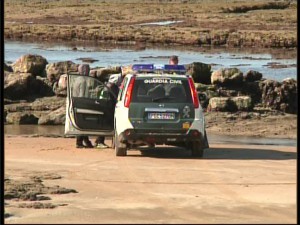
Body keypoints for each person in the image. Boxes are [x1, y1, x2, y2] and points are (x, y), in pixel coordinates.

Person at [73, 64, 93, 149]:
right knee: (83, 124)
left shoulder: (76, 80)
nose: (89, 72)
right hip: (81, 104)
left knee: (81, 124)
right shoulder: (83, 81)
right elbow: (82, 95)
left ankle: (86, 141)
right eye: (88, 70)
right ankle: (79, 142)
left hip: (75, 103)